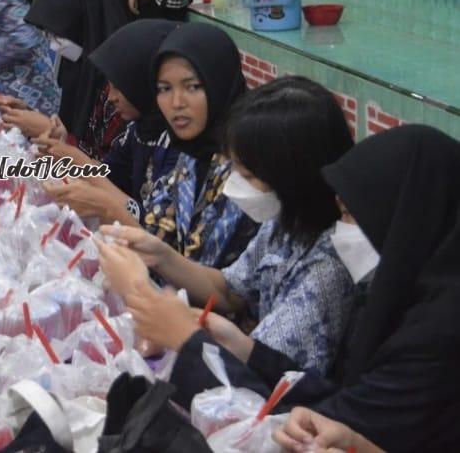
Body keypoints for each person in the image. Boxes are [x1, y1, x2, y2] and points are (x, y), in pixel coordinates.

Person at [100, 124, 460, 451]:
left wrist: (183, 337)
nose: (341, 230)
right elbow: (344, 408)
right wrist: (242, 348)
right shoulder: (288, 229)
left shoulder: (437, 331)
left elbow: (324, 423)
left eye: (351, 215)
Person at [100, 77, 357, 374]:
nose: (177, 102)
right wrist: (159, 255)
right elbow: (229, 291)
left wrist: (141, 292)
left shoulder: (326, 268)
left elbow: (256, 373)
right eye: (164, 88)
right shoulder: (286, 222)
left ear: (291, 176)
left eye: (247, 176)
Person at [132, 23, 257, 269]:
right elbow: (157, 230)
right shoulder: (190, 155)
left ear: (218, 83)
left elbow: (204, 267)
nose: (176, 103)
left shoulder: (247, 166)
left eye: (193, 87)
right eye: (164, 89)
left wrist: (108, 208)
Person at [37, 20, 180, 224]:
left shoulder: (178, 147)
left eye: (120, 88)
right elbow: (109, 174)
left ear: (146, 84)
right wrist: (64, 148)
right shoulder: (139, 129)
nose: (111, 97)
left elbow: (151, 223)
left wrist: (75, 157)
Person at [22, 0, 128, 159]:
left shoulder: (117, 86)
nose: (53, 45)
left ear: (83, 26)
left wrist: (59, 138)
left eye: (57, 35)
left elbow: (109, 168)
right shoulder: (76, 66)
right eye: (47, 35)